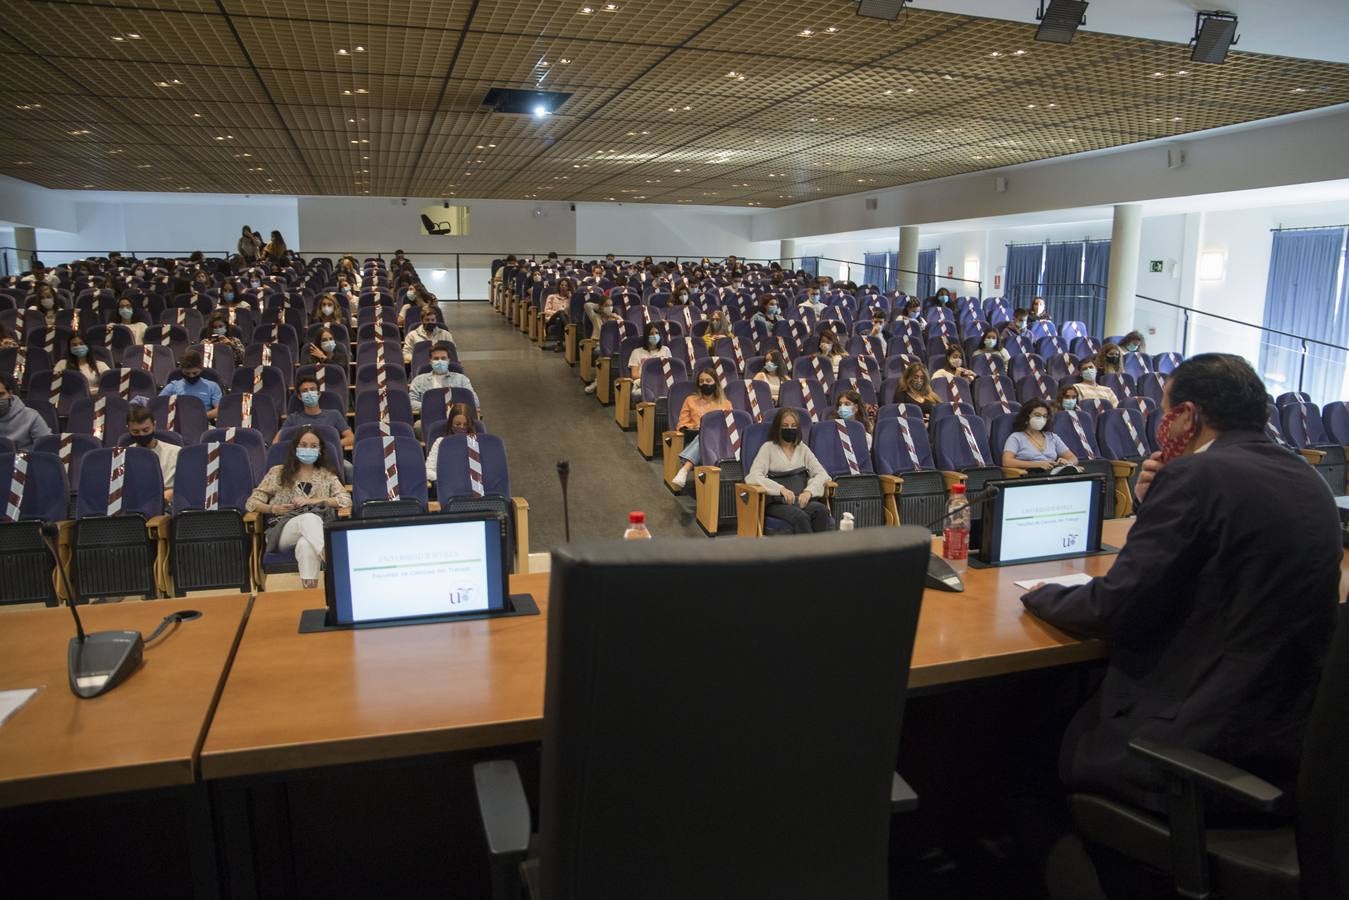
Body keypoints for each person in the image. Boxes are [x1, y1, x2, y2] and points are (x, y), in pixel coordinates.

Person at [1019, 355, 1341, 888]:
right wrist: (1152, 501)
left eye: (1166, 411)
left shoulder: (1197, 474)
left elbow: (1114, 608)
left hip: (1193, 749)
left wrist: (1042, 596)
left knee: (1022, 753)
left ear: (1188, 416)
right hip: (1286, 750)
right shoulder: (1305, 476)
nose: (1161, 423)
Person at [246, 426, 350, 589]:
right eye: (303, 445)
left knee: (306, 545)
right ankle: (334, 560)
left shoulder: (326, 474)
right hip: (282, 531)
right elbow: (252, 502)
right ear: (295, 448)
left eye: (314, 446)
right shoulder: (277, 472)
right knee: (308, 518)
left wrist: (314, 501)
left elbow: (345, 500)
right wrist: (273, 509)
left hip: (316, 530)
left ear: (320, 450)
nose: (308, 449)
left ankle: (309, 595)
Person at [745, 408, 831, 533]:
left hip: (799, 499)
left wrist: (808, 492)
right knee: (800, 517)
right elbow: (753, 476)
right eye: (785, 425)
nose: (790, 429)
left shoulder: (802, 448)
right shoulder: (768, 448)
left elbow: (822, 474)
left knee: (821, 510)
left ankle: (823, 550)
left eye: (793, 426)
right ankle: (807, 551)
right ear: (777, 428)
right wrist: (780, 489)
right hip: (776, 503)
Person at [670, 364, 732, 490]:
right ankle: (685, 470)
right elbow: (681, 424)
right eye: (701, 381)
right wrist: (695, 426)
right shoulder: (690, 400)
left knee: (707, 434)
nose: (705, 384)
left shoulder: (726, 404)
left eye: (708, 381)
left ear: (716, 383)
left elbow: (730, 427)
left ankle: (685, 468)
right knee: (704, 434)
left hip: (720, 442)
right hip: (695, 439)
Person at [409, 342, 478, 436]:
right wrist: (433, 408)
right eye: (436, 359)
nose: (440, 361)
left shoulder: (461, 379)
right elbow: (411, 402)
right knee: (417, 426)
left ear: (448, 360)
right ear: (430, 361)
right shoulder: (419, 380)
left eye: (443, 358)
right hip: (431, 419)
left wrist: (456, 410)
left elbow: (475, 401)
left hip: (458, 421)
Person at [280, 376, 354, 452]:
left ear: (318, 394)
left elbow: (351, 438)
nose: (309, 393)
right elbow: (277, 441)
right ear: (300, 397)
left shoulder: (334, 415)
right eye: (305, 391)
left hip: (330, 457)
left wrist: (325, 446)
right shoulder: (293, 418)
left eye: (312, 389)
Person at [1001, 399, 1077, 472]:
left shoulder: (1052, 437)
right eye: (1037, 415)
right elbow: (1006, 462)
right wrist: (1036, 464)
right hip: (1029, 477)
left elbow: (1073, 458)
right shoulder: (1016, 437)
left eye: (1044, 416)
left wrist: (1068, 462)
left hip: (1053, 476)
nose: (1041, 419)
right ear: (1026, 417)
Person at [126, 405, 179, 503]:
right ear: (128, 429)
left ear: (154, 425)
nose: (141, 434)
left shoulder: (176, 452)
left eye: (146, 430)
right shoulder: (123, 456)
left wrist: (169, 494)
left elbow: (184, 485)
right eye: (135, 431)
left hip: (167, 505)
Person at [159, 350, 221, 420]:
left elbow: (219, 410)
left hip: (203, 421)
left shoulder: (212, 386)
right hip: (178, 422)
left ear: (201, 369)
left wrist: (199, 417)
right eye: (187, 373)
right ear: (182, 370)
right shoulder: (173, 386)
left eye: (195, 373)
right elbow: (158, 405)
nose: (191, 376)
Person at [425, 402, 477, 482]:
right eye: (458, 424)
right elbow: (427, 470)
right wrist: (446, 479)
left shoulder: (476, 443)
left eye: (465, 424)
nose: (462, 427)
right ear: (451, 424)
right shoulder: (440, 442)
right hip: (448, 487)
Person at [581, 294, 623, 395]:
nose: (610, 308)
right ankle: (597, 382)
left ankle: (597, 382)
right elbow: (587, 305)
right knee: (601, 352)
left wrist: (617, 318)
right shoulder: (596, 317)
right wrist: (599, 307)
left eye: (611, 305)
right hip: (598, 344)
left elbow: (624, 328)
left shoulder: (615, 319)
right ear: (601, 307)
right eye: (607, 305)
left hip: (613, 346)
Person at [0, 374, 51, 449]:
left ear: (10, 393)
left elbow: (48, 446)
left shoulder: (31, 416)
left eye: (1, 394)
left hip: (23, 459)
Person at [627, 323, 672, 390]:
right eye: (651, 333)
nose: (654, 336)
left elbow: (669, 372)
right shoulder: (636, 352)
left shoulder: (665, 350)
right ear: (646, 336)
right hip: (642, 385)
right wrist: (650, 379)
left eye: (657, 333)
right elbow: (634, 375)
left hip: (662, 385)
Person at [540, 278, 573, 351]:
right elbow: (546, 310)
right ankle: (569, 328)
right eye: (562, 285)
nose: (563, 287)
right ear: (559, 286)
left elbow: (572, 311)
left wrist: (571, 298)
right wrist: (557, 312)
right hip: (551, 319)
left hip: (563, 319)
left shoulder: (570, 298)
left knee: (559, 320)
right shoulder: (551, 297)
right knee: (560, 312)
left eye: (566, 285)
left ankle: (559, 344)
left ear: (569, 288)